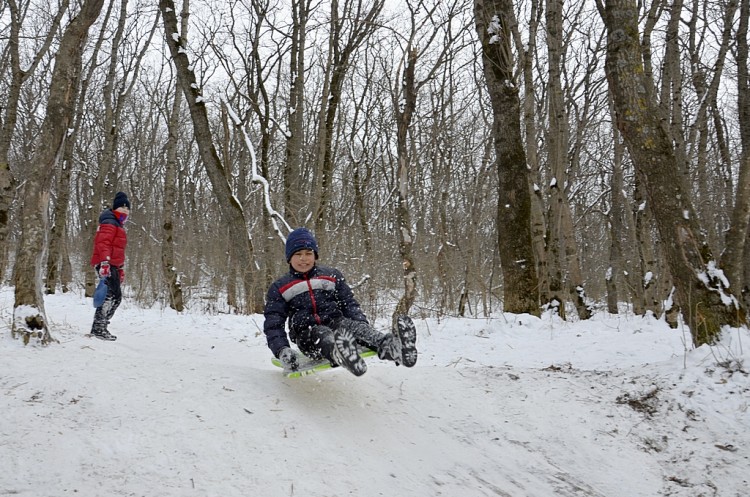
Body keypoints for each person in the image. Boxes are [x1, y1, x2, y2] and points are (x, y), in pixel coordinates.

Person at [263, 227, 418, 376]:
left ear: (315, 255)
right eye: (298, 254)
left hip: (336, 323)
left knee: (354, 327)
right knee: (322, 334)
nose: (303, 259)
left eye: (308, 253)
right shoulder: (280, 287)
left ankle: (392, 348)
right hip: (307, 334)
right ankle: (339, 353)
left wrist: (361, 324)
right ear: (289, 258)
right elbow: (273, 324)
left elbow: (349, 304)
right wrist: (282, 349)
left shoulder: (331, 276)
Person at [89, 191, 130, 341]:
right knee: (110, 296)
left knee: (115, 297)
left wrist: (120, 268)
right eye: (122, 208)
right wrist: (105, 262)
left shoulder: (118, 225)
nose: (125, 211)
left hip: (113, 266)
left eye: (127, 209)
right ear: (115, 209)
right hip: (105, 263)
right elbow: (103, 243)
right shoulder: (109, 222)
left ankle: (101, 326)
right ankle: (99, 327)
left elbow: (117, 250)